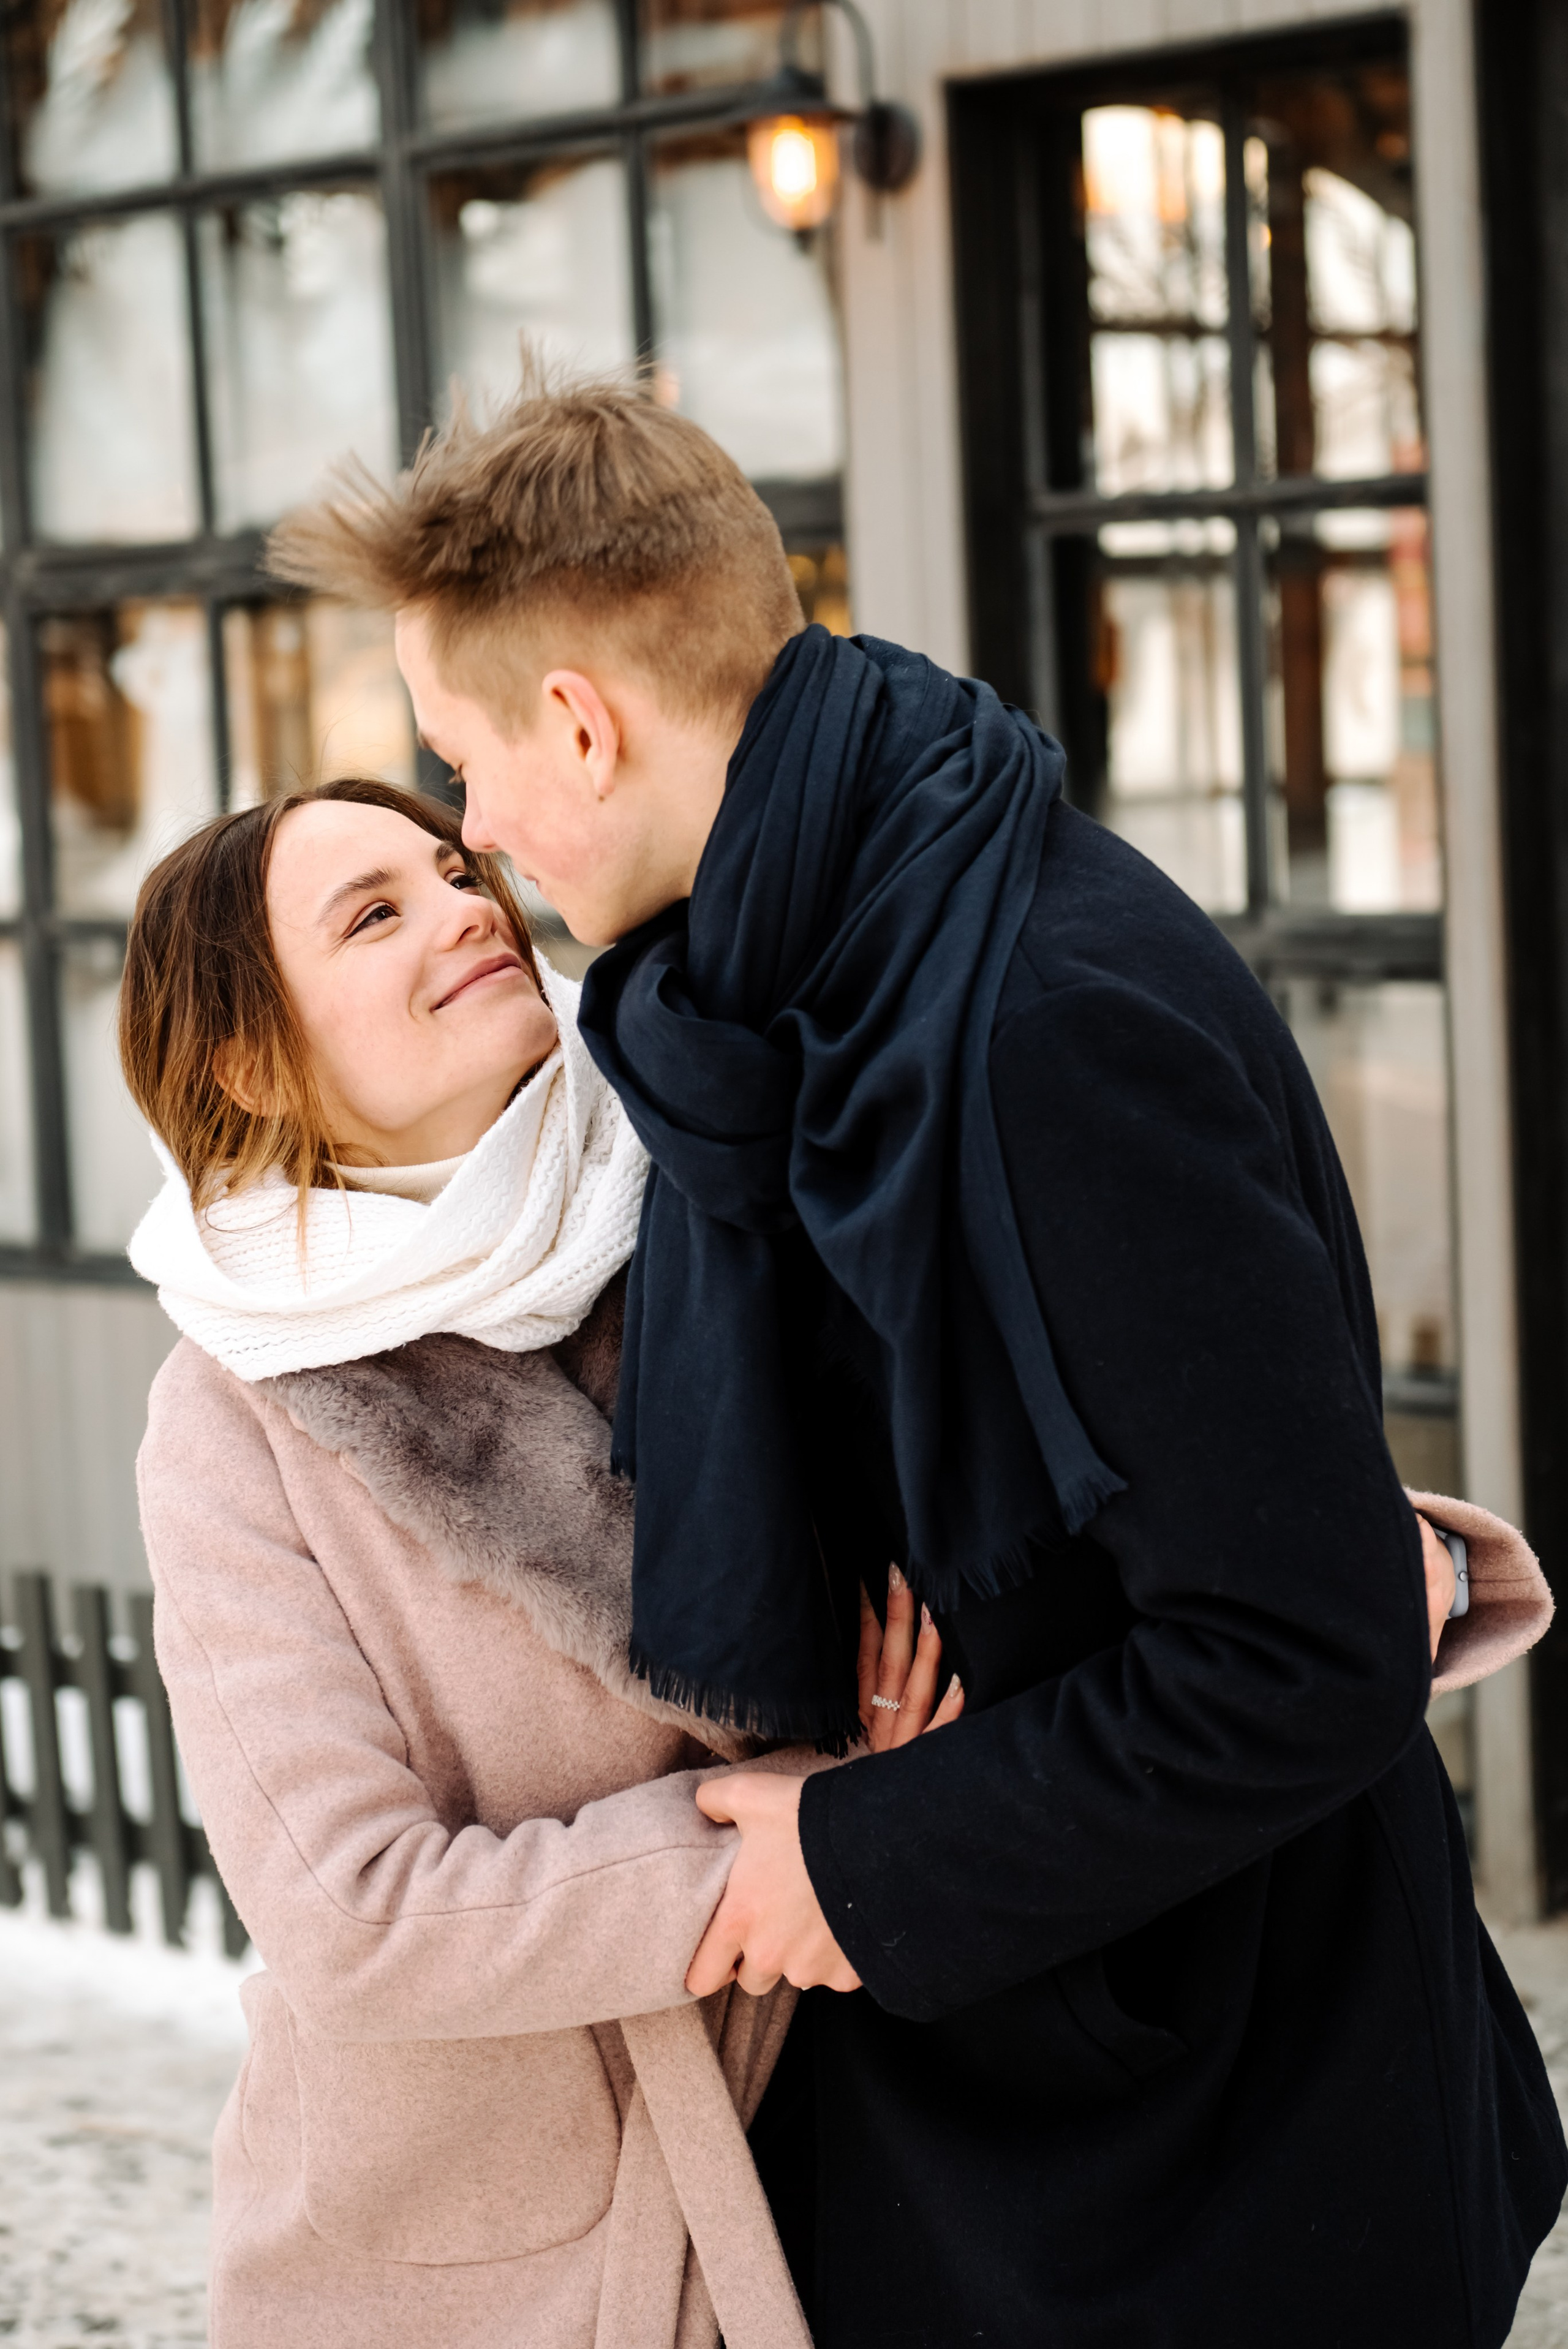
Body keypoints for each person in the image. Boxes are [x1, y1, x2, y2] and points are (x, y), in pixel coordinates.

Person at [270, 382, 1565, 2349]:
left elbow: (1299, 1652)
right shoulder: (786, 986)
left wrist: (865, 1855)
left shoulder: (1043, 1016)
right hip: (1008, 2106)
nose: (477, 832)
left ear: (583, 723)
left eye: (466, 761)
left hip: (1224, 2154)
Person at [121, 775, 958, 2349]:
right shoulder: (237, 1410)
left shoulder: (713, 1205)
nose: (466, 908)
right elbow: (354, 1909)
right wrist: (793, 1843)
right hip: (462, 2257)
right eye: (376, 913)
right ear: (249, 1058)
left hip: (841, 2158)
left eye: (452, 868)